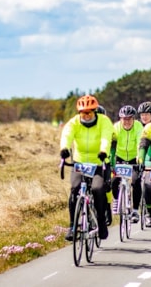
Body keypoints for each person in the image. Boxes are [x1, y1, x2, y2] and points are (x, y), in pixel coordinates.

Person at [60, 95, 114, 241]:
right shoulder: (74, 122)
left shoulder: (104, 121)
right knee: (75, 188)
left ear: (95, 111)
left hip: (99, 162)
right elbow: (67, 135)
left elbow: (106, 138)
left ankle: (101, 222)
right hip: (80, 162)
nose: (87, 115)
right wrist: (64, 148)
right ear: (79, 112)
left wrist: (103, 152)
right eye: (84, 112)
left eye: (90, 112)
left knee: (97, 189)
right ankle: (72, 227)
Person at [111, 105, 143, 223]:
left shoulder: (138, 126)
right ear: (120, 119)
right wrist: (111, 162)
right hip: (120, 157)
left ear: (134, 119)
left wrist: (140, 159)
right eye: (124, 119)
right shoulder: (116, 127)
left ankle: (135, 210)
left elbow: (140, 143)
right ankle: (116, 199)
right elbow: (112, 146)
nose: (127, 121)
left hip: (134, 158)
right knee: (114, 181)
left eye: (130, 118)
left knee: (136, 181)